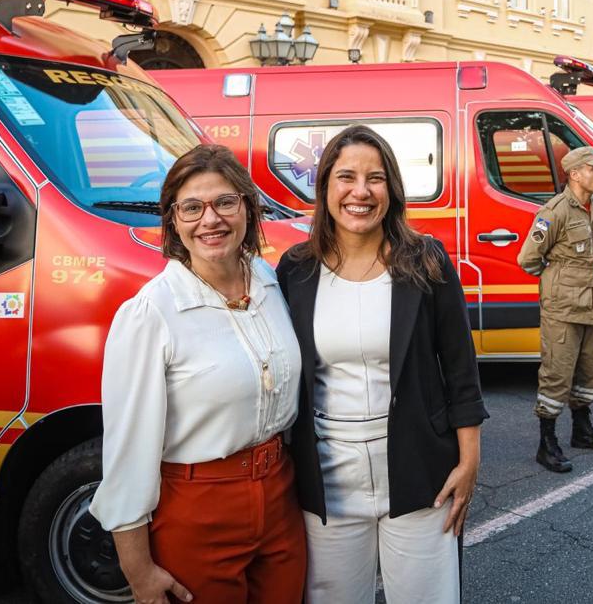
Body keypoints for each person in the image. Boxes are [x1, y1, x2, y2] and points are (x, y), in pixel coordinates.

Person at [276, 125, 486, 604]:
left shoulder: (425, 261)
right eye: (346, 176)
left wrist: (469, 460)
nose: (361, 191)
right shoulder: (296, 269)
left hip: (419, 471)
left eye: (375, 178)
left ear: (391, 189)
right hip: (326, 478)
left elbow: (460, 368)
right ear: (325, 186)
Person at [90, 144, 305, 604]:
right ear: (173, 220)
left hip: (281, 497)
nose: (211, 220)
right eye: (192, 207)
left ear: (248, 207)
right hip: (198, 508)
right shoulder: (151, 312)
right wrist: (138, 571)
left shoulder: (268, 281)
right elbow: (128, 451)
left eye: (226, 202)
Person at [518, 146, 593, 474]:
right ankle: (546, 443)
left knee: (590, 372)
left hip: (591, 305)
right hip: (562, 310)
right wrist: (556, 282)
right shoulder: (554, 212)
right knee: (556, 376)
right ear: (575, 174)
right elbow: (527, 260)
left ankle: (582, 430)